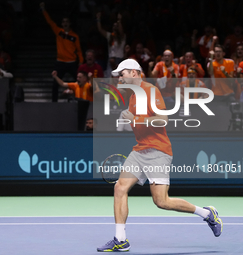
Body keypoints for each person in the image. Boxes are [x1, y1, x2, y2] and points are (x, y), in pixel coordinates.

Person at [97, 59, 223, 252]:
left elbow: (163, 119)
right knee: (120, 188)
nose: (119, 77)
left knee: (161, 202)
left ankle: (207, 214)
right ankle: (120, 239)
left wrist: (135, 118)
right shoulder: (132, 98)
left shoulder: (150, 91)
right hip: (139, 150)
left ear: (133, 72)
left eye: (122, 74)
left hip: (158, 150)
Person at [40, 2, 84, 102]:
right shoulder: (58, 31)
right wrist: (43, 10)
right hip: (60, 62)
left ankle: (80, 100)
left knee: (79, 82)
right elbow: (50, 21)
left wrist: (81, 61)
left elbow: (79, 50)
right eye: (63, 22)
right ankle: (54, 103)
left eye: (67, 22)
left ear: (70, 23)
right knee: (55, 83)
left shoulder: (75, 36)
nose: (65, 23)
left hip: (72, 63)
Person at [96, 12, 126, 76]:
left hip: (119, 60)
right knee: (109, 78)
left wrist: (119, 20)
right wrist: (98, 19)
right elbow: (100, 30)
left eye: (116, 26)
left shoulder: (122, 37)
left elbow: (121, 31)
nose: (114, 27)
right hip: (110, 59)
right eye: (114, 26)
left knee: (118, 78)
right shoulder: (110, 36)